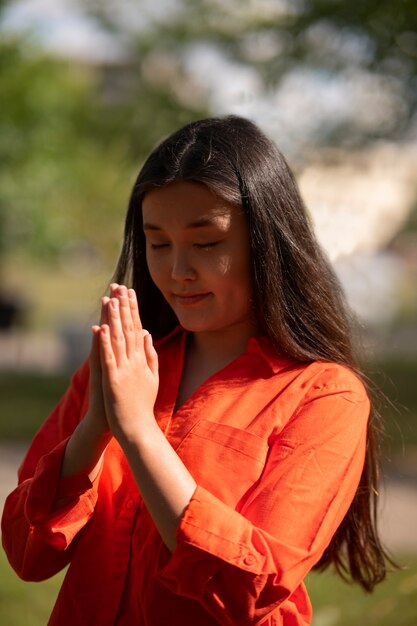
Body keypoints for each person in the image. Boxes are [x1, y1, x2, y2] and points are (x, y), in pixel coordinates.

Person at [1, 116, 392, 625]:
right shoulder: (124, 365)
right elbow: (28, 554)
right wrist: (96, 427)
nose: (177, 270)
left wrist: (139, 433)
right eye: (157, 243)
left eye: (206, 244)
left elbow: (250, 590)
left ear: (266, 243)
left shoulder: (324, 396)